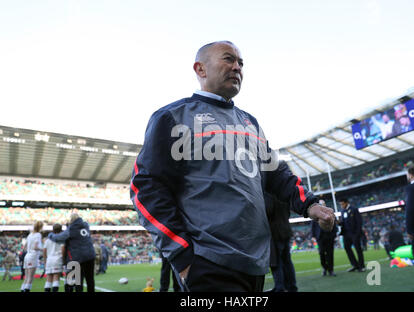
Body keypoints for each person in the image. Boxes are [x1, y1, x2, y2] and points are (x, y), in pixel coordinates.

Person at [130, 40, 335, 292]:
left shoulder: (250, 122)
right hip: (208, 262)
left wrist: (310, 204)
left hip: (255, 262)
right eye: (228, 59)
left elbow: (275, 172)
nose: (237, 67)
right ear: (200, 69)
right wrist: (183, 256)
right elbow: (145, 187)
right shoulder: (173, 117)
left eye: (241, 63)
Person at [48, 213, 96, 292]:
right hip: (90, 255)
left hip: (78, 257)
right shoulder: (86, 225)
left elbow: (59, 237)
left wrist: (50, 235)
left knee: (78, 281)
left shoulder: (71, 229)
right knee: (90, 279)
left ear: (71, 220)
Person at [265, 191, 298, 292]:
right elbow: (287, 213)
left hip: (275, 232)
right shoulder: (283, 194)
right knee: (287, 261)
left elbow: (268, 211)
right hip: (285, 230)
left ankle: (280, 287)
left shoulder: (269, 194)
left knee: (276, 262)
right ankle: (291, 286)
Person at [311, 200, 338, 277]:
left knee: (330, 254)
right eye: (320, 205)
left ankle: (331, 270)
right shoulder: (315, 215)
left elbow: (334, 225)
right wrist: (313, 236)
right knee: (321, 253)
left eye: (323, 204)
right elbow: (313, 226)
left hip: (329, 236)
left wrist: (334, 235)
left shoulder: (330, 213)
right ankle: (325, 268)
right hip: (320, 237)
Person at [338, 198, 365, 272]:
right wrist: (338, 222)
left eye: (342, 204)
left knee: (358, 249)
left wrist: (357, 233)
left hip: (354, 233)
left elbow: (359, 222)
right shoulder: (342, 211)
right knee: (347, 248)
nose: (341, 206)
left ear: (347, 203)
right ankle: (355, 265)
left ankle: (361, 266)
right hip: (346, 234)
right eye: (340, 204)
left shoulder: (354, 209)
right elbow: (343, 223)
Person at [21, 221, 43, 292]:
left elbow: (24, 247)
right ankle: (27, 290)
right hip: (33, 256)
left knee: (27, 277)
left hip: (27, 256)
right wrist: (44, 249)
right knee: (30, 277)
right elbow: (35, 247)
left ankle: (22, 289)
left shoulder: (30, 235)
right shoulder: (38, 235)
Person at [43, 223, 64, 292]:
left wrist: (45, 261)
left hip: (49, 259)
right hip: (57, 259)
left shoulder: (48, 240)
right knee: (56, 277)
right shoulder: (61, 239)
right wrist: (64, 260)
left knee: (48, 278)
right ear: (61, 230)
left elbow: (44, 251)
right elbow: (63, 249)